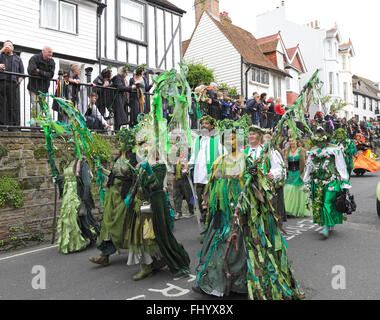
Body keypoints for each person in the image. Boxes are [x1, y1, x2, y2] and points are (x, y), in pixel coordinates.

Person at [193, 120, 303, 300]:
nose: (231, 142)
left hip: (248, 206)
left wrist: (258, 177)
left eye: (234, 139)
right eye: (228, 139)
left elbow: (263, 180)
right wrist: (211, 203)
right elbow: (216, 185)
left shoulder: (254, 157)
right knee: (221, 241)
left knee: (247, 242)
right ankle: (220, 281)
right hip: (226, 209)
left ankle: (243, 280)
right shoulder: (222, 160)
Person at [89, 128, 138, 266]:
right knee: (107, 223)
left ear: (128, 142)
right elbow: (113, 174)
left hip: (124, 196)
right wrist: (102, 170)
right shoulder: (117, 158)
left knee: (121, 224)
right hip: (112, 194)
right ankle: (105, 255)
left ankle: (137, 250)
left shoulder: (133, 158)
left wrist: (131, 196)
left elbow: (135, 177)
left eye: (121, 140)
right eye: (118, 140)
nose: (118, 143)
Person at [303, 127, 351, 239]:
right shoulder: (313, 151)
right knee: (319, 204)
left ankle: (325, 227)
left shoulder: (335, 149)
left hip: (331, 181)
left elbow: (341, 165)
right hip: (317, 182)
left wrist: (344, 181)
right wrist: (306, 180)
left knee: (327, 202)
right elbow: (309, 166)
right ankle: (328, 223)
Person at [57, 140, 101, 254]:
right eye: (68, 146)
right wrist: (58, 179)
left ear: (78, 148)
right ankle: (74, 242)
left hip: (79, 195)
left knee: (87, 219)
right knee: (70, 219)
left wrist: (84, 200)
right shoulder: (68, 163)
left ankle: (100, 237)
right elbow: (66, 178)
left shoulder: (82, 163)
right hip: (69, 195)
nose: (70, 149)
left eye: (72, 146)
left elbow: (86, 183)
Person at [189, 115, 223, 222]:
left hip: (212, 177)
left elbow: (223, 156)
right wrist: (188, 165)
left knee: (211, 202)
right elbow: (193, 157)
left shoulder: (217, 140)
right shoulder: (197, 141)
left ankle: (211, 223)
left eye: (206, 123)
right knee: (200, 201)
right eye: (202, 123)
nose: (203, 125)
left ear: (212, 126)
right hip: (199, 177)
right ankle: (204, 221)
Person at [284, 137, 312, 218]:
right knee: (288, 189)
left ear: (296, 141)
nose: (291, 142)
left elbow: (306, 160)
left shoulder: (302, 150)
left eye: (292, 140)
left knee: (299, 191)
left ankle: (297, 209)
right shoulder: (287, 150)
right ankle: (288, 210)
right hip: (290, 173)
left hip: (299, 173)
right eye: (289, 141)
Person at [27, 46, 55, 121]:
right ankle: (34, 127)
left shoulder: (52, 62)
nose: (51, 54)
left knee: (41, 108)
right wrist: (45, 74)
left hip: (44, 89)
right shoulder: (34, 58)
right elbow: (31, 71)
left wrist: (39, 71)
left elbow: (51, 75)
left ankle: (37, 126)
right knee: (36, 107)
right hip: (33, 87)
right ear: (43, 51)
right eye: (49, 52)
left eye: (51, 52)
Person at [0, 40, 24, 127]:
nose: (7, 47)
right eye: (5, 45)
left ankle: (13, 125)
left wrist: (19, 81)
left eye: (9, 45)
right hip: (2, 82)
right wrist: (2, 50)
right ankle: (1, 125)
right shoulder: (1, 55)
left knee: (13, 104)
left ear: (13, 47)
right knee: (1, 104)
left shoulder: (18, 58)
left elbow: (22, 72)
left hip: (13, 83)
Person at [172, 139, 194, 220]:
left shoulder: (188, 155)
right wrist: (174, 178)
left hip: (186, 179)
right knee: (176, 195)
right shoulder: (176, 157)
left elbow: (192, 165)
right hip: (178, 179)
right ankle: (178, 212)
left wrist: (188, 169)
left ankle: (191, 211)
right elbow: (173, 169)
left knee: (189, 195)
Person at [110, 66, 136, 131]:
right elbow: (120, 87)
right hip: (118, 100)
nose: (126, 74)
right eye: (125, 72)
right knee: (119, 117)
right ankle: (117, 132)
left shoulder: (121, 78)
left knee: (122, 117)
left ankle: (120, 132)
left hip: (122, 100)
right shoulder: (117, 78)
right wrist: (131, 87)